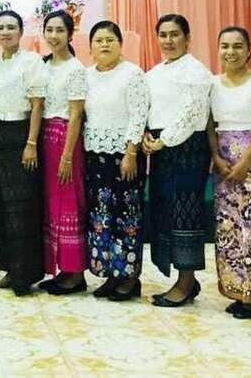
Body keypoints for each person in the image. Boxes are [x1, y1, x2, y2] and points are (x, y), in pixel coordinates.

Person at [207, 26, 251, 319]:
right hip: (224, 163)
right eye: (225, 46)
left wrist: (245, 163)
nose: (230, 52)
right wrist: (216, 156)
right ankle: (238, 290)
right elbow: (209, 124)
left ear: (249, 50)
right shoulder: (212, 84)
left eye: (237, 46)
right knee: (230, 228)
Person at [143, 14, 213, 307]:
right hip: (162, 149)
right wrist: (147, 134)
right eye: (163, 35)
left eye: (175, 34)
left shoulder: (196, 72)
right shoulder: (153, 73)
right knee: (166, 210)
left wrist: (164, 140)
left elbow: (192, 113)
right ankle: (185, 279)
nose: (168, 41)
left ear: (187, 38)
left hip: (187, 149)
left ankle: (185, 282)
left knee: (186, 212)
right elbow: (148, 109)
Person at [0, 10, 47, 296]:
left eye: (11, 27)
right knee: (2, 206)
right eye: (1, 27)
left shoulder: (31, 62)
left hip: (21, 135)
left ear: (20, 32)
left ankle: (25, 273)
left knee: (23, 206)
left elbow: (37, 104)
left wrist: (31, 143)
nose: (6, 32)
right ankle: (10, 268)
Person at [83, 21, 150, 301]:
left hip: (125, 157)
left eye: (110, 39)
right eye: (99, 40)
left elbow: (139, 115)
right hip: (95, 157)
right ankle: (112, 274)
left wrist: (131, 152)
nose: (104, 45)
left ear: (120, 44)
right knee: (102, 216)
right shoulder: (86, 76)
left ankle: (129, 278)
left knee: (127, 216)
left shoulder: (132, 74)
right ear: (90, 47)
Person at [38, 10, 88, 295]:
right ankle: (60, 269)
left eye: (60, 30)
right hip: (45, 138)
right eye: (50, 30)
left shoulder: (75, 69)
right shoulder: (44, 65)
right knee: (51, 206)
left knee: (69, 203)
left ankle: (75, 274)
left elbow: (76, 114)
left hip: (65, 140)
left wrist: (67, 156)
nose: (54, 35)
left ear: (70, 34)